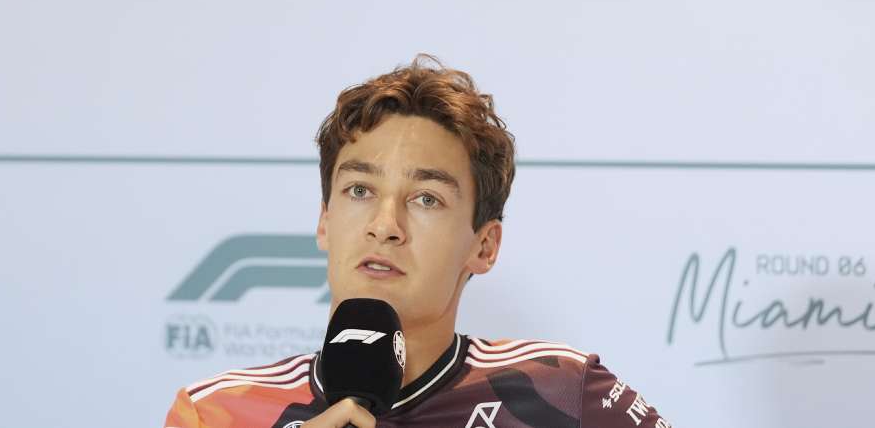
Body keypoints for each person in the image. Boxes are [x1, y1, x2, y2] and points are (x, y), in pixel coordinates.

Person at [163, 56, 672, 428]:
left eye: (426, 199)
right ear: (325, 221)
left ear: (485, 246)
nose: (385, 225)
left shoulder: (564, 390)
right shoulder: (215, 413)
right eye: (360, 190)